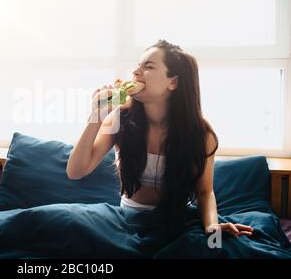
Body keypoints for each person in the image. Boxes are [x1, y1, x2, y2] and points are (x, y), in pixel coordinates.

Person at [66, 39, 254, 238]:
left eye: (148, 66)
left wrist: (212, 227)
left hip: (178, 223)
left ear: (173, 82)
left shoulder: (201, 134)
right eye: (137, 66)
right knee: (65, 221)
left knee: (220, 246)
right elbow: (75, 171)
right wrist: (96, 115)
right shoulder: (120, 119)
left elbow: (205, 192)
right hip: (128, 221)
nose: (136, 73)